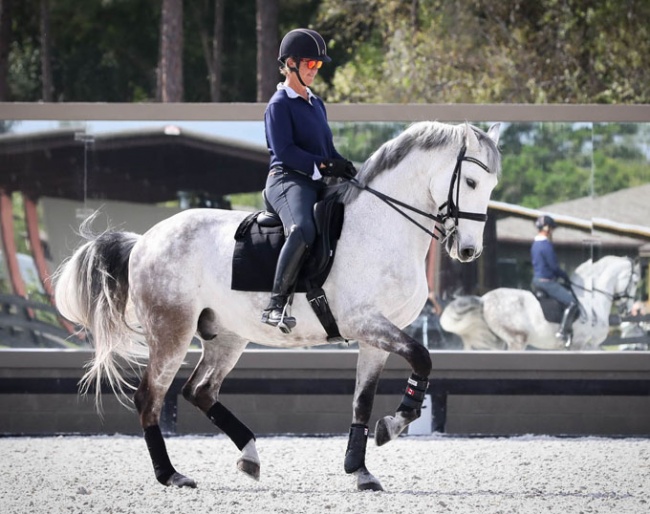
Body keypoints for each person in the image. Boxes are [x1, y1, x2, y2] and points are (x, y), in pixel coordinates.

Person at [261, 28, 356, 333]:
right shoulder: (279, 105)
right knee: (303, 229)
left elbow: (326, 149)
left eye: (319, 66)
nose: (315, 71)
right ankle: (275, 304)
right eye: (310, 64)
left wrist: (345, 165)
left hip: (316, 180)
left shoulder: (317, 104)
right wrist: (325, 164)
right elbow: (284, 151)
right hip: (288, 179)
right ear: (290, 63)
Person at [531, 214, 578, 345]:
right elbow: (554, 267)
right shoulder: (546, 245)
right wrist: (565, 276)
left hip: (537, 279)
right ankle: (563, 331)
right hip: (547, 281)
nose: (552, 232)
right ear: (546, 228)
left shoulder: (535, 244)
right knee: (572, 302)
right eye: (551, 229)